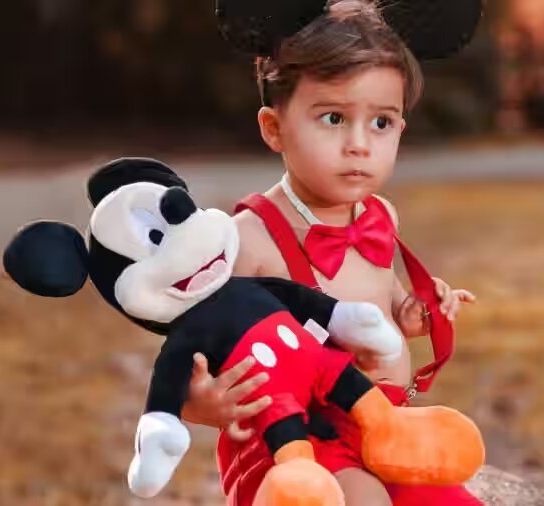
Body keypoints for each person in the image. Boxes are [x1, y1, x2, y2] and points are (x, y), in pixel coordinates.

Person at [183, 0, 480, 504]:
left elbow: (382, 295)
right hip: (293, 443)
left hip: (383, 425)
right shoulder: (250, 237)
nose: (359, 144)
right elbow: (192, 352)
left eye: (381, 123)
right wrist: (201, 403)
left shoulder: (379, 216)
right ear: (274, 128)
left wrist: (411, 312)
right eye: (334, 118)